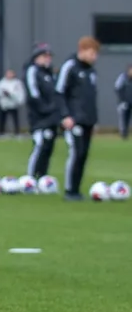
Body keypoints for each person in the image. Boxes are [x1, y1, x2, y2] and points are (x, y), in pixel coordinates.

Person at [56, 37, 100, 201]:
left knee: (83, 155)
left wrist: (94, 119)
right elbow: (59, 92)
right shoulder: (70, 67)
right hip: (73, 120)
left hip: (88, 120)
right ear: (82, 50)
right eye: (92, 53)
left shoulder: (91, 71)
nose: (94, 57)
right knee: (76, 152)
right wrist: (65, 115)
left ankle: (77, 189)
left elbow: (91, 97)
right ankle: (70, 190)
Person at [24, 43, 62, 179]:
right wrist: (44, 109)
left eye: (49, 56)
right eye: (44, 56)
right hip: (39, 117)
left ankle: (43, 176)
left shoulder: (51, 74)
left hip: (52, 117)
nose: (48, 59)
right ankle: (30, 177)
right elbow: (33, 93)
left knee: (48, 147)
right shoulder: (33, 71)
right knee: (39, 145)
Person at [0, 68, 24, 138]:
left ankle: (17, 132)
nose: (9, 75)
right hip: (4, 103)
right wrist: (4, 93)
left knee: (15, 119)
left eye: (11, 73)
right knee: (2, 119)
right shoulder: (2, 83)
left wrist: (12, 94)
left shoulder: (17, 83)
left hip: (13, 103)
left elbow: (19, 93)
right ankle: (1, 132)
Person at [116, 65, 132, 140]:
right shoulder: (123, 77)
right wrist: (122, 100)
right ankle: (124, 134)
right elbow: (118, 88)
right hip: (124, 103)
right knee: (123, 119)